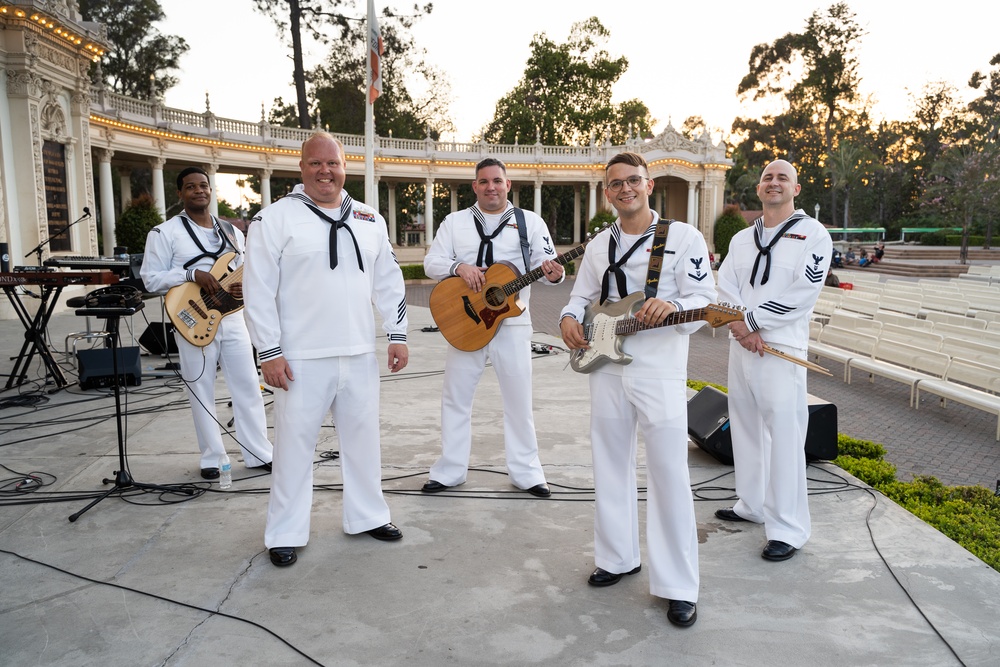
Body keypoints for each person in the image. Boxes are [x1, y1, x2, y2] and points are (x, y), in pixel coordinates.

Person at [559, 152, 716, 628]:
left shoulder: (683, 237)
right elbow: (580, 296)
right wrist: (568, 316)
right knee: (609, 463)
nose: (624, 189)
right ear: (606, 192)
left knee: (669, 474)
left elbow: (705, 298)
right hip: (607, 365)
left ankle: (678, 585)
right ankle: (617, 557)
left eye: (633, 181)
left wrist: (671, 304)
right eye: (615, 184)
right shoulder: (599, 243)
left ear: (649, 185)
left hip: (659, 370)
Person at [243, 132, 409, 567]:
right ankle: (284, 532)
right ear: (301, 168)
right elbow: (257, 290)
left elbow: (388, 280)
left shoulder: (370, 218)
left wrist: (397, 333)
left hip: (358, 353)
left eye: (332, 163)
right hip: (299, 357)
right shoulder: (274, 219)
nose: (325, 171)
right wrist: (269, 351)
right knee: (294, 447)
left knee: (363, 441)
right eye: (315, 163)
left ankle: (368, 516)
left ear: (344, 167)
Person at [421, 157, 563, 497]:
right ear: (475, 186)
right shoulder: (455, 223)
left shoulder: (529, 222)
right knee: (456, 397)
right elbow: (431, 262)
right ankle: (450, 470)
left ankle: (527, 473)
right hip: (466, 321)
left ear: (508, 184)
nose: (491, 187)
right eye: (484, 182)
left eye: (497, 181)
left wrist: (554, 275)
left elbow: (548, 267)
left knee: (518, 399)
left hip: (512, 322)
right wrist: (458, 267)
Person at [714, 159, 832, 562]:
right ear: (759, 188)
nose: (774, 182)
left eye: (783, 177)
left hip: (782, 348)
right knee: (745, 427)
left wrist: (753, 322)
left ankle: (788, 528)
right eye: (767, 177)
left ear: (796, 189)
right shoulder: (743, 239)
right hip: (742, 344)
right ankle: (752, 504)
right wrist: (738, 323)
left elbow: (805, 292)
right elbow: (725, 283)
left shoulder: (813, 234)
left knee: (784, 436)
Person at [141, 167, 273, 480]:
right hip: (192, 320)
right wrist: (190, 274)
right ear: (179, 193)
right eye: (190, 187)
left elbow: (242, 271)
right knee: (201, 389)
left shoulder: (233, 232)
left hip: (233, 319)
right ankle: (212, 457)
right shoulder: (164, 233)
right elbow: (150, 279)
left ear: (211, 190)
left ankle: (258, 454)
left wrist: (245, 285)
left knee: (248, 387)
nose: (199, 191)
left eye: (204, 185)